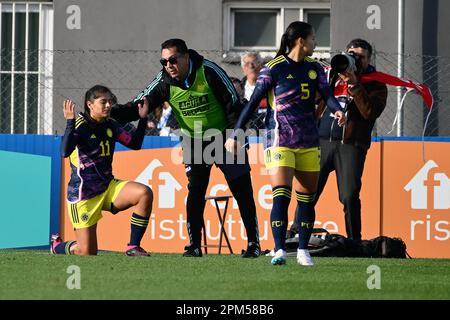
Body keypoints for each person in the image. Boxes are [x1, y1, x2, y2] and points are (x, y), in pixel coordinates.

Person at [110, 38, 261, 258]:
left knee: (242, 189)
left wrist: (236, 136)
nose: (168, 66)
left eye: (172, 60)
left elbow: (233, 104)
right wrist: (110, 112)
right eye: (164, 62)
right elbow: (138, 106)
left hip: (226, 136)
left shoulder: (209, 71)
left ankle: (254, 245)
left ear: (186, 57)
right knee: (196, 192)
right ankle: (194, 246)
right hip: (194, 141)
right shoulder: (163, 82)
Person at [225, 21, 345, 266]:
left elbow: (328, 96)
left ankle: (302, 251)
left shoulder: (315, 68)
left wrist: (338, 110)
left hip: (309, 141)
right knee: (281, 195)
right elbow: (252, 103)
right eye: (313, 38)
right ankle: (279, 250)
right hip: (280, 141)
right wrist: (236, 133)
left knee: (307, 199)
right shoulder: (273, 68)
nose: (316, 43)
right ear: (300, 40)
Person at [289, 39, 388, 241]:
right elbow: (312, 99)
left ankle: (354, 242)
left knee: (349, 196)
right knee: (308, 192)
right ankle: (294, 236)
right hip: (322, 141)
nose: (355, 59)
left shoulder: (376, 83)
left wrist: (354, 84)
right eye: (351, 53)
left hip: (350, 144)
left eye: (360, 56)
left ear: (369, 59)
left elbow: (369, 112)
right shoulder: (331, 76)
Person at [51, 85, 153, 256]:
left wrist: (142, 119)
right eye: (103, 102)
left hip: (107, 188)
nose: (108, 105)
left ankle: (133, 246)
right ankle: (57, 246)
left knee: (143, 193)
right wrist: (69, 121)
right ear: (89, 105)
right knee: (87, 252)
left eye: (110, 102)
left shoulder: (111, 125)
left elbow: (135, 144)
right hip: (83, 196)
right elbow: (64, 152)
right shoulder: (80, 126)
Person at [240, 52, 267, 132]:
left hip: (264, 130)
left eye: (254, 62)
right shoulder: (238, 89)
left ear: (261, 66)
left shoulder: (270, 89)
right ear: (243, 69)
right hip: (243, 130)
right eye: (247, 63)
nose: (251, 66)